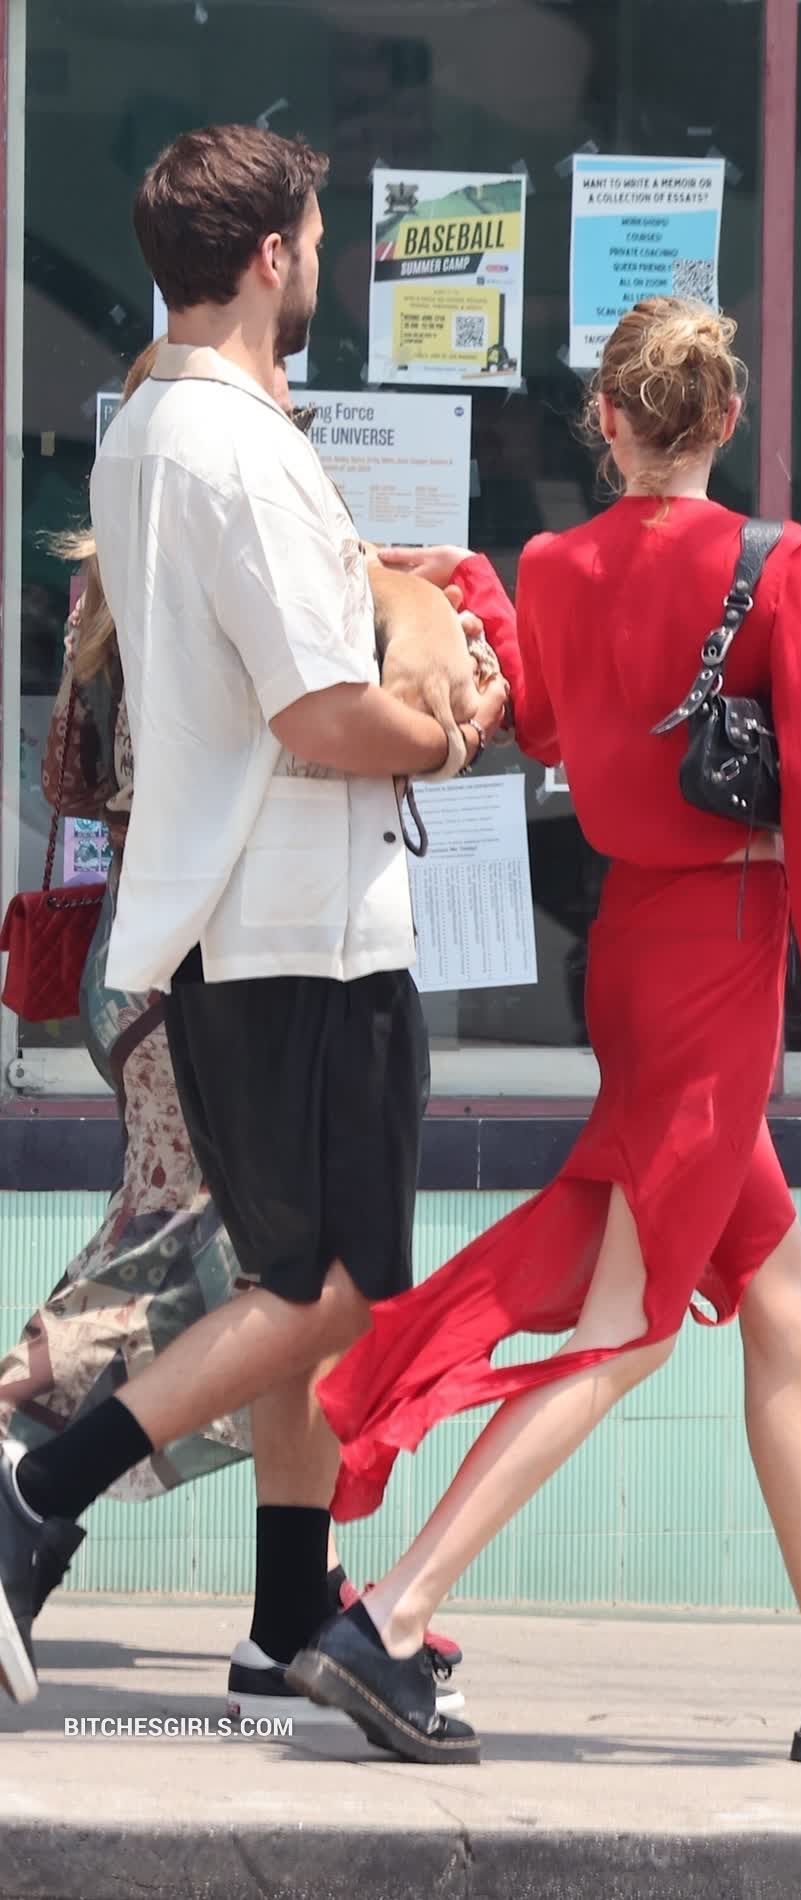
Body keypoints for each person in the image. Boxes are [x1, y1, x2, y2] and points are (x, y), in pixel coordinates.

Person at [289, 298, 801, 1772]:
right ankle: (394, 1620)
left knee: (783, 1311)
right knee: (624, 1331)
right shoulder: (774, 563)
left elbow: (550, 726)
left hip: (628, 957)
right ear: (725, 419)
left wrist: (485, 596)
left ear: (605, 421)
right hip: (719, 963)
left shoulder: (556, 566)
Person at [0, 122, 506, 1716]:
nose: (324, 265)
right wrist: (450, 736)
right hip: (298, 927)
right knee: (330, 1286)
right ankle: (30, 1498)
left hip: (225, 922)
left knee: (287, 1280)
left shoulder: (151, 428)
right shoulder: (238, 446)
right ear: (273, 256)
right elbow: (320, 710)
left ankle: (289, 1614)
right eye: (318, 240)